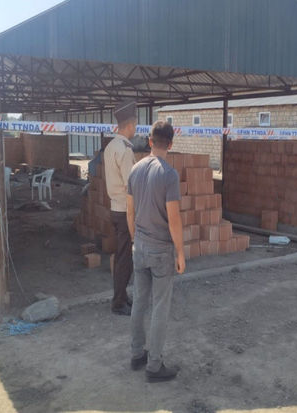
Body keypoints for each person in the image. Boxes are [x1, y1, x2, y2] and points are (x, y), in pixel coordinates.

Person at [126, 120, 185, 383]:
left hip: (139, 246)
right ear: (170, 144)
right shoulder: (169, 175)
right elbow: (174, 219)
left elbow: (130, 212)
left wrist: (135, 239)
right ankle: (154, 366)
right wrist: (180, 253)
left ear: (150, 141)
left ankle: (137, 354)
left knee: (139, 302)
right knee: (160, 307)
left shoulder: (135, 169)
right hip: (161, 251)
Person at [104, 100, 137, 316]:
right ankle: (118, 302)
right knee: (125, 259)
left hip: (115, 208)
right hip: (125, 210)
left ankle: (122, 296)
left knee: (122, 255)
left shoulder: (111, 146)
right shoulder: (125, 150)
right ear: (131, 124)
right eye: (135, 124)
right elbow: (130, 186)